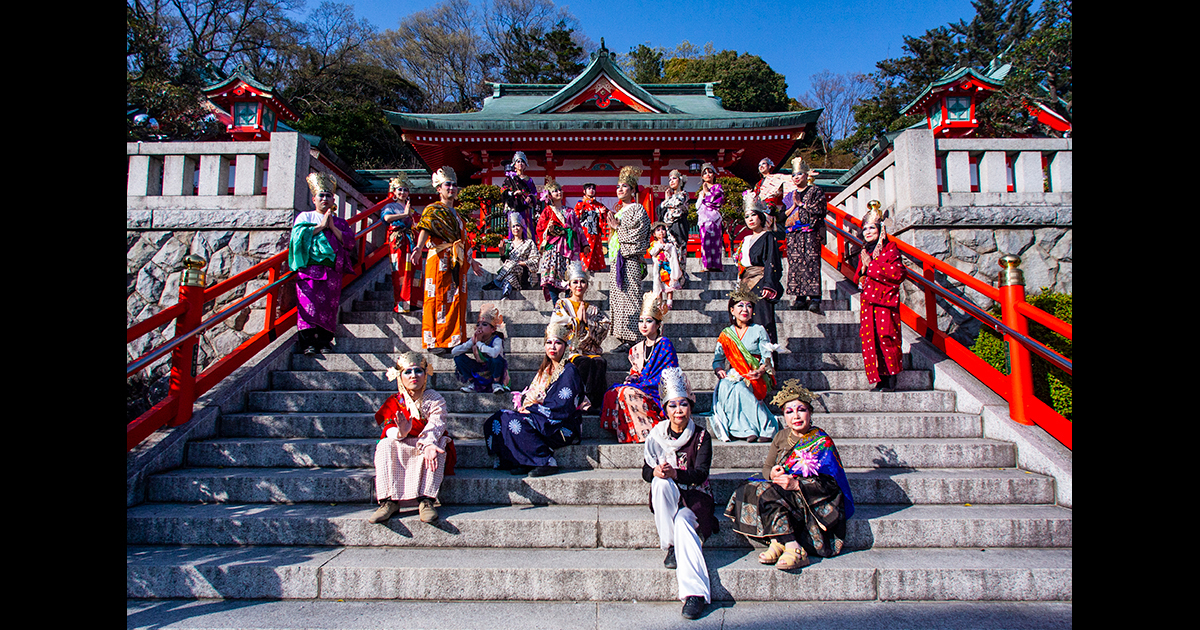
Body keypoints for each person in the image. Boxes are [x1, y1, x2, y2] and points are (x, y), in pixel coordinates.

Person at [724, 379, 855, 570]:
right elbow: (767, 467)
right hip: (781, 487)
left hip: (809, 496)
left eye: (801, 410)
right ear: (784, 416)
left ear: (810, 412)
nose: (796, 416)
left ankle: (793, 547)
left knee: (769, 494)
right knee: (748, 488)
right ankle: (777, 540)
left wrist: (796, 484)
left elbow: (832, 483)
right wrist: (772, 473)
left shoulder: (821, 441)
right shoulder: (780, 436)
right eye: (789, 411)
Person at [642, 366, 716, 621]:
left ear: (690, 407)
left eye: (683, 404)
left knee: (684, 523)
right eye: (672, 405)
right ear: (666, 409)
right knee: (659, 483)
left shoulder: (701, 436)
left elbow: (701, 474)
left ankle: (695, 594)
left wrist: (676, 473)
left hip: (695, 497)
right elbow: (645, 471)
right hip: (669, 494)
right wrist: (657, 472)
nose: (678, 410)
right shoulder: (657, 435)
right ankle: (670, 544)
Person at [485, 321, 584, 477]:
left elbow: (562, 406)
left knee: (514, 422)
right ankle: (520, 460)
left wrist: (532, 410)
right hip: (540, 415)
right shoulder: (545, 369)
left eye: (558, 343)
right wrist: (526, 408)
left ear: (566, 347)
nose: (553, 347)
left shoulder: (569, 371)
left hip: (559, 424)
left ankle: (546, 461)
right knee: (500, 417)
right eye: (549, 342)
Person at [369, 351, 456, 524]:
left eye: (418, 371)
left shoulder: (434, 399)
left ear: (425, 374)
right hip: (403, 441)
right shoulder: (394, 401)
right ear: (400, 376)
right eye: (407, 372)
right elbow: (388, 428)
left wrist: (428, 443)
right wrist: (400, 432)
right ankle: (388, 501)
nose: (413, 375)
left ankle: (426, 500)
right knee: (385, 445)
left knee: (438, 445)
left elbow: (437, 423)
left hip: (427, 441)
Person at [409, 166, 484, 355]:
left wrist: (472, 261)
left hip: (457, 261)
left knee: (456, 299)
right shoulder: (433, 209)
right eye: (447, 185)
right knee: (437, 298)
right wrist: (418, 247)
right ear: (439, 189)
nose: (451, 188)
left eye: (454, 185)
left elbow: (464, 241)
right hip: (439, 258)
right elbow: (425, 228)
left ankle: (454, 340)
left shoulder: (458, 216)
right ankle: (435, 340)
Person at [290, 172, 355, 356]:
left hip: (332, 270)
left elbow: (349, 242)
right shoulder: (305, 217)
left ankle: (325, 341)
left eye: (328, 195)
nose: (324, 199)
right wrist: (320, 227)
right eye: (321, 195)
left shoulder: (340, 222)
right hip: (310, 268)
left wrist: (332, 227)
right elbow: (297, 238)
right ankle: (308, 343)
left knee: (329, 306)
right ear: (314, 199)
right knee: (308, 304)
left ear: (333, 199)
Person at [600, 293, 679, 444]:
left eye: (649, 321)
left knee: (628, 392)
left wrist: (644, 383)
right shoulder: (636, 349)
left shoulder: (664, 344)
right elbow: (636, 371)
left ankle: (651, 430)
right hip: (641, 385)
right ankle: (630, 432)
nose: (643, 325)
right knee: (613, 392)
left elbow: (670, 373)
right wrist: (633, 377)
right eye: (641, 321)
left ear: (658, 325)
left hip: (657, 390)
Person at [708, 284, 782, 443]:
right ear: (732, 310)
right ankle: (746, 430)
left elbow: (767, 358)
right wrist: (719, 369)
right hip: (735, 373)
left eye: (749, 306)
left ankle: (766, 427)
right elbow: (718, 360)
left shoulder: (759, 330)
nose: (745, 309)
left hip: (755, 374)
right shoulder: (726, 334)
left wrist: (760, 371)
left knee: (740, 388)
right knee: (727, 386)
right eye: (740, 305)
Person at [548, 262, 611, 412]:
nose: (579, 285)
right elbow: (556, 324)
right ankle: (581, 400)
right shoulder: (562, 304)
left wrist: (588, 321)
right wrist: (577, 320)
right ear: (569, 285)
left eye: (582, 282)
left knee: (600, 362)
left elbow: (605, 326)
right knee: (583, 362)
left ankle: (596, 403)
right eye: (575, 282)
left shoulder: (592, 309)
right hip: (570, 350)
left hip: (589, 349)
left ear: (587, 285)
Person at [858, 201, 905, 392]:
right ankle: (878, 378)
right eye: (865, 229)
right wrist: (862, 274)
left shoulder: (890, 248)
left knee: (886, 335)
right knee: (871, 339)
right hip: (868, 301)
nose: (867, 232)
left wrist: (871, 265)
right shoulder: (864, 251)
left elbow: (898, 273)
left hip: (884, 300)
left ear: (880, 229)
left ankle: (891, 376)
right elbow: (861, 274)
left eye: (872, 228)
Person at [608, 165, 651, 353]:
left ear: (633, 190)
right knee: (618, 298)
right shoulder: (619, 211)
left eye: (624, 186)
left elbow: (639, 234)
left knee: (631, 296)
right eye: (618, 186)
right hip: (617, 259)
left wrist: (617, 227)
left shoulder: (637, 209)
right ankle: (622, 335)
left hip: (629, 258)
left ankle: (633, 337)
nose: (620, 189)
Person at [734, 191, 784, 345]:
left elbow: (772, 261)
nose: (750, 219)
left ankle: (766, 356)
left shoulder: (768, 236)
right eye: (747, 216)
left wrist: (769, 284)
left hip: (761, 281)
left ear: (761, 217)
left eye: (753, 215)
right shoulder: (746, 239)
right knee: (743, 320)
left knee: (762, 320)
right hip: (745, 282)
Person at [782, 157, 827, 313]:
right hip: (793, 235)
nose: (796, 177)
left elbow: (821, 209)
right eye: (794, 175)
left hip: (810, 232)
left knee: (811, 263)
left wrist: (802, 205)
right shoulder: (790, 195)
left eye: (799, 174)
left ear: (806, 175)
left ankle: (814, 298)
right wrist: (794, 205)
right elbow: (782, 215)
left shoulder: (815, 191)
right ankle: (799, 297)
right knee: (795, 265)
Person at [535, 175, 584, 302]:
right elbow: (540, 228)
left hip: (568, 246)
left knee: (570, 274)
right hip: (553, 247)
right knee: (551, 275)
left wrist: (584, 244)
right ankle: (556, 303)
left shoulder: (570, 211)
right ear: (550, 195)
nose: (559, 192)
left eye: (560, 190)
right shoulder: (547, 211)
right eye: (555, 191)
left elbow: (578, 228)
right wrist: (549, 229)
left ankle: (569, 302)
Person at [380, 174, 422, 313]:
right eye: (399, 189)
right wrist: (405, 214)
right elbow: (387, 218)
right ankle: (402, 303)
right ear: (394, 191)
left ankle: (414, 302)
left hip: (411, 240)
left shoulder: (412, 209)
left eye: (405, 190)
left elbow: (419, 224)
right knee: (400, 270)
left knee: (414, 270)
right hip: (398, 240)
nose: (402, 192)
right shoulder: (390, 206)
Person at [451, 303, 509, 394]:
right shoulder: (474, 339)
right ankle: (473, 383)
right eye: (478, 324)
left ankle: (496, 383)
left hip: (493, 369)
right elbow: (454, 352)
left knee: (497, 359)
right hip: (480, 367)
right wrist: (471, 343)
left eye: (484, 324)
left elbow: (494, 353)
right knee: (459, 358)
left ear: (493, 329)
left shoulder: (496, 339)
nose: (480, 327)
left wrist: (479, 344)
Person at [482, 221, 539, 300]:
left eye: (518, 225)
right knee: (510, 276)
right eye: (513, 226)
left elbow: (535, 260)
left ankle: (496, 282)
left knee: (512, 263)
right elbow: (504, 261)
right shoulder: (508, 243)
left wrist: (522, 263)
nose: (516, 228)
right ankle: (506, 294)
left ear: (522, 228)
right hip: (511, 273)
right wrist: (501, 252)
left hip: (522, 272)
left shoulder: (529, 243)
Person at [658, 169, 690, 283]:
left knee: (679, 253)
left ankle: (681, 279)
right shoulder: (670, 198)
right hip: (669, 230)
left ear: (680, 180)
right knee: (669, 255)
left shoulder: (684, 194)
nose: (671, 181)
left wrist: (666, 202)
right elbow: (661, 210)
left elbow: (677, 207)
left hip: (678, 228)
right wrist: (667, 200)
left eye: (674, 178)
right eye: (670, 179)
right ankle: (671, 279)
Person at [500, 151, 539, 242]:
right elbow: (503, 191)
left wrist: (529, 197)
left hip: (525, 208)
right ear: (514, 164)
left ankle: (529, 246)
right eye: (518, 161)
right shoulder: (510, 178)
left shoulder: (529, 180)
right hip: (513, 207)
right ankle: (513, 246)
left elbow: (534, 193)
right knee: (514, 227)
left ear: (525, 165)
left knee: (527, 228)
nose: (520, 163)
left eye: (522, 162)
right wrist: (512, 193)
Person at [695, 163, 725, 272]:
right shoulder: (701, 192)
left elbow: (715, 201)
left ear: (714, 174)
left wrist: (707, 193)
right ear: (702, 177)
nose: (707, 174)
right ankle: (706, 265)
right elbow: (697, 206)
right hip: (704, 220)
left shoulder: (718, 187)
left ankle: (716, 265)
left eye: (710, 172)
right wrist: (703, 194)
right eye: (705, 173)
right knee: (705, 242)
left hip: (714, 218)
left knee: (716, 241)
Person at [574, 182, 609, 272]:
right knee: (586, 248)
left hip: (595, 230)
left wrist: (602, 213)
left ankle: (595, 267)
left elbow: (606, 214)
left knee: (596, 248)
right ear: (584, 191)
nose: (591, 190)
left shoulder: (598, 204)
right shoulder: (580, 204)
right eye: (589, 188)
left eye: (593, 189)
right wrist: (597, 212)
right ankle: (584, 267)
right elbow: (577, 216)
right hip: (585, 231)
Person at [647, 221, 682, 309]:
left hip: (668, 267)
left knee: (669, 284)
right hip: (659, 268)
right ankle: (660, 303)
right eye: (658, 230)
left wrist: (666, 246)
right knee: (658, 285)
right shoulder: (653, 244)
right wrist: (659, 246)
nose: (661, 232)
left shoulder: (669, 243)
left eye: (663, 229)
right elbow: (652, 252)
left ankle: (669, 302)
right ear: (654, 234)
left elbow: (672, 252)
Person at [753, 157, 785, 232]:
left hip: (771, 207)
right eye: (759, 165)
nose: (761, 166)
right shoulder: (758, 184)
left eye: (763, 164)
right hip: (760, 208)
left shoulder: (776, 178)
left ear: (769, 166)